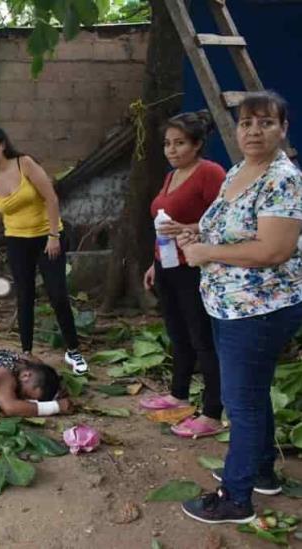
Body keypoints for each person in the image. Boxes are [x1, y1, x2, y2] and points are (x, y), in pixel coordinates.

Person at [177, 92, 302, 524]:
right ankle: (261, 471)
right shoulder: (239, 169)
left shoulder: (282, 178)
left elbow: (274, 249)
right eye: (246, 122)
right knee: (251, 396)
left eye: (265, 123)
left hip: (258, 309)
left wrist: (207, 252)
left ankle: (236, 497)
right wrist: (195, 230)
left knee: (242, 402)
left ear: (282, 129)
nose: (253, 130)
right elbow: (233, 223)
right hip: (228, 305)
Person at [0, 126, 88, 375]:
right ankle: (26, 351)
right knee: (25, 296)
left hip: (48, 238)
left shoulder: (24, 163)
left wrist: (54, 236)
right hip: (17, 242)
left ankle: (73, 350)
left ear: (2, 144)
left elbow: (51, 198)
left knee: (57, 294)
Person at [139, 111, 226, 438]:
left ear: (198, 144)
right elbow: (164, 225)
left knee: (202, 338)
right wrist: (154, 262)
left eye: (179, 144)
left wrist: (188, 228)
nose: (171, 150)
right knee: (178, 334)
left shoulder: (210, 173)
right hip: (167, 265)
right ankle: (179, 394)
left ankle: (213, 412)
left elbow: (224, 221)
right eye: (167, 144)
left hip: (195, 267)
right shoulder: (171, 175)